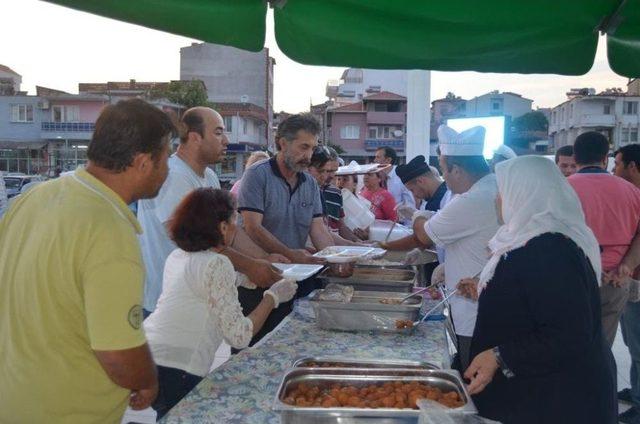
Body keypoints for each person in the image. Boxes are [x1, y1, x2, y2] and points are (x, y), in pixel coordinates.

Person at [0, 99, 171, 423]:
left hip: (13, 399)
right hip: (65, 412)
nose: (168, 170)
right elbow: (119, 354)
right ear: (143, 162)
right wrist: (147, 380)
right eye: (166, 157)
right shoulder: (110, 232)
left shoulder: (35, 197)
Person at [458, 155, 616, 424]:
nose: (497, 198)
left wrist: (499, 356)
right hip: (537, 392)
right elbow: (532, 297)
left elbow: (569, 332)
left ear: (525, 192)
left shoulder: (549, 248)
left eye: (502, 191)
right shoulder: (528, 239)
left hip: (557, 401)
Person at [144, 188, 297, 418]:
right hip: (179, 366)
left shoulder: (178, 256)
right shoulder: (218, 263)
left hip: (151, 358)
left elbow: (200, 288)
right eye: (234, 222)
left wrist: (243, 279)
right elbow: (239, 335)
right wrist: (273, 297)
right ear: (223, 227)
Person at [137, 107, 283, 315]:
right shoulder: (173, 177)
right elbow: (197, 241)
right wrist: (251, 266)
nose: (225, 140)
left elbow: (229, 232)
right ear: (195, 138)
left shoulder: (210, 177)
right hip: (167, 304)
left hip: (200, 298)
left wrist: (265, 259)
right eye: (218, 132)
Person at [238, 113, 333, 346]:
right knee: (254, 350)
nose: (308, 156)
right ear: (282, 143)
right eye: (303, 147)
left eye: (312, 148)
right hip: (259, 279)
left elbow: (318, 229)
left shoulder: (309, 183)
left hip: (298, 279)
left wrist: (335, 258)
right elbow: (252, 227)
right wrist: (291, 254)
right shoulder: (257, 175)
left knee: (296, 345)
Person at [412, 125, 499, 371]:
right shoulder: (492, 186)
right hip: (481, 300)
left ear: (457, 170)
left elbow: (424, 235)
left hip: (474, 312)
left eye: (443, 170)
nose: (443, 179)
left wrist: (418, 214)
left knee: (474, 377)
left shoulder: (473, 199)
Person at [567, 132, 640, 347]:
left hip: (573, 281)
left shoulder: (562, 190)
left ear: (575, 157)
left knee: (569, 348)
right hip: (615, 282)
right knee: (602, 348)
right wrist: (626, 266)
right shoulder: (632, 192)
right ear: (605, 158)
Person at [613, 143, 640, 423]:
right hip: (628, 278)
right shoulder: (631, 195)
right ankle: (635, 391)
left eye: (618, 164)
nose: (614, 169)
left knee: (639, 344)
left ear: (632, 166)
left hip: (636, 281)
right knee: (633, 343)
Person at [308, 145, 360, 243]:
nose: (331, 176)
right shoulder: (303, 192)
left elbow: (341, 226)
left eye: (334, 171)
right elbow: (318, 231)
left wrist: (357, 241)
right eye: (327, 171)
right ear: (309, 168)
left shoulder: (335, 193)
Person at [373, 146, 415, 211]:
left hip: (399, 218)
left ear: (388, 160)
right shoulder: (376, 176)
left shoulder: (401, 177)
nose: (374, 160)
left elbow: (410, 203)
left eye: (378, 157)